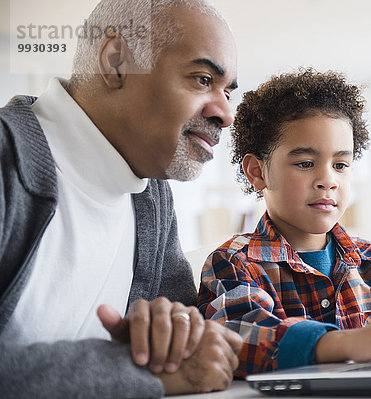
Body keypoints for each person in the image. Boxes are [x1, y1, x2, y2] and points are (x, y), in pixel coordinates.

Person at [0, 0, 242, 397]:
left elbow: (190, 348)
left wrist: (173, 329)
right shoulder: (6, 159)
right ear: (116, 62)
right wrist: (136, 372)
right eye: (202, 79)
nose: (226, 114)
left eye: (228, 92)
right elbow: (171, 372)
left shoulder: (150, 195)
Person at [197, 68, 371, 377]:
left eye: (341, 165)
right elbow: (236, 340)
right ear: (258, 171)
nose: (328, 180)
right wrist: (344, 343)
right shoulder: (232, 263)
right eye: (305, 163)